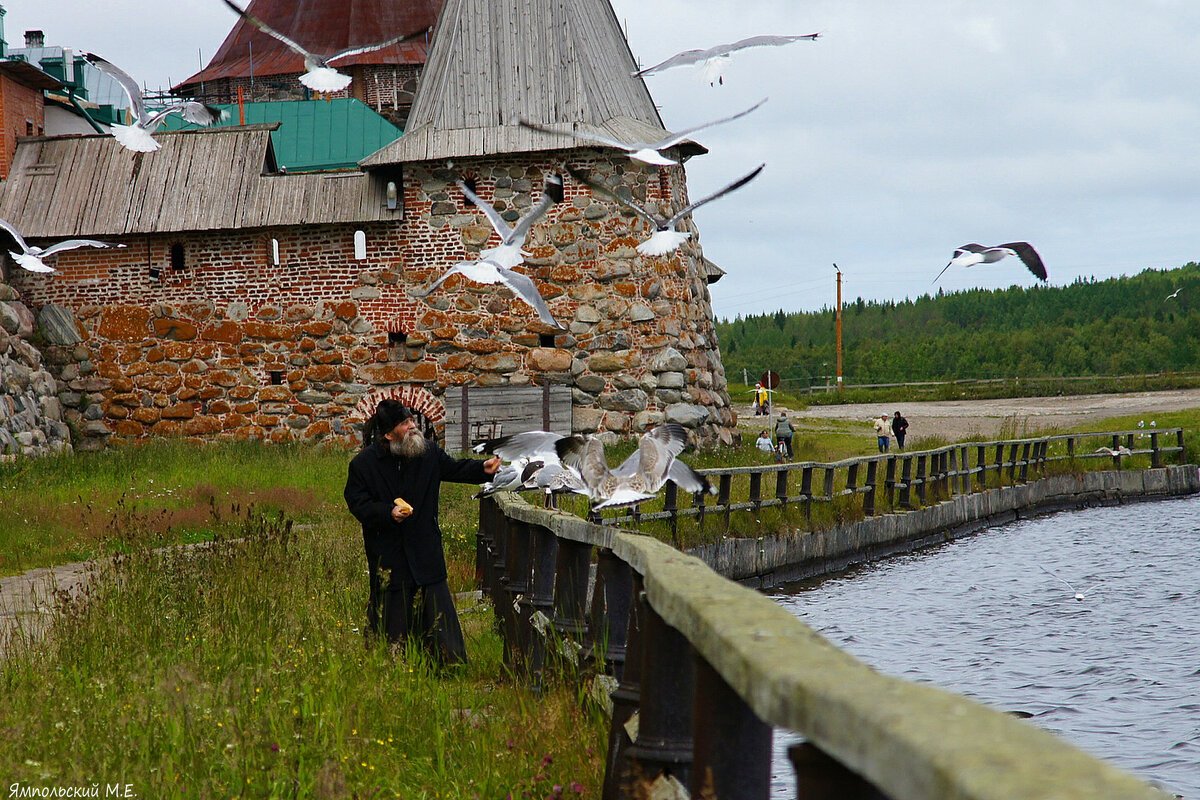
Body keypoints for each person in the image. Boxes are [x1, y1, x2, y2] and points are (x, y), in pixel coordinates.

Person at [344, 399, 500, 666]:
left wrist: (482, 469)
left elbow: (454, 468)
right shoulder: (363, 465)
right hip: (389, 554)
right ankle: (393, 665)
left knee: (437, 615)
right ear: (388, 433)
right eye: (405, 423)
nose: (413, 426)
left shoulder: (427, 452)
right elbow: (357, 502)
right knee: (393, 622)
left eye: (412, 420)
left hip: (425, 549)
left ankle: (447, 667)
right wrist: (387, 512)